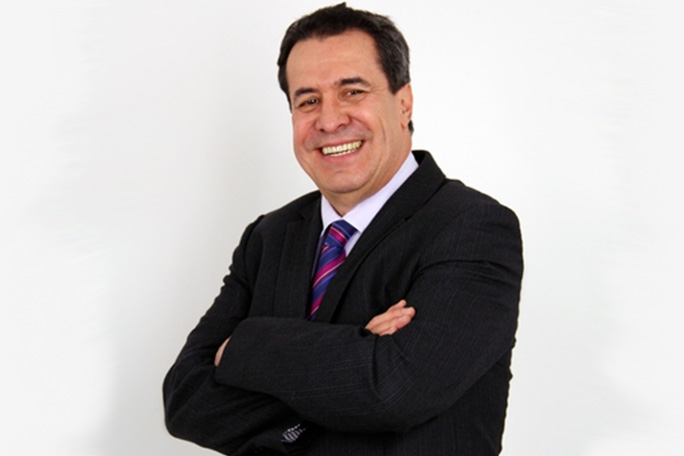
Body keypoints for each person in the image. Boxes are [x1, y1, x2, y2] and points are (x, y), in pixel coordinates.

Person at [163, 3, 523, 455]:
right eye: (308, 100)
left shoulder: (473, 227)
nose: (330, 121)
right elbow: (186, 402)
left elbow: (393, 393)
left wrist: (244, 347)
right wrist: (357, 354)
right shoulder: (268, 237)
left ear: (404, 102)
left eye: (352, 92)